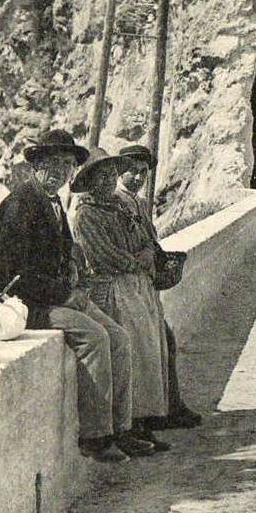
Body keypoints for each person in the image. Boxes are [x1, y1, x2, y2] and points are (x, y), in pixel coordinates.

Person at [0, 130, 152, 463]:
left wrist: (73, 256)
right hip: (23, 304)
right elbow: (16, 277)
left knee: (119, 337)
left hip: (55, 295)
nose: (60, 172)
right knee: (94, 337)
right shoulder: (19, 205)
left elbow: (59, 248)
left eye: (66, 165)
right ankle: (96, 437)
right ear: (37, 164)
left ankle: (122, 428)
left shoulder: (52, 200)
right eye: (53, 164)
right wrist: (66, 294)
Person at [72, 148, 172, 452]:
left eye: (110, 175)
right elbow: (104, 256)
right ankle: (124, 429)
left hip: (138, 288)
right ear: (89, 182)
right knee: (129, 354)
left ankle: (140, 424)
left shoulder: (121, 207)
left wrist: (143, 255)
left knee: (147, 355)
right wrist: (138, 260)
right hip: (114, 290)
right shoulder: (86, 214)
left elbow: (146, 241)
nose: (106, 181)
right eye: (99, 176)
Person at [115, 144, 201, 429]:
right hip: (128, 286)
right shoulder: (116, 201)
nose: (138, 178)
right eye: (132, 172)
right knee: (151, 347)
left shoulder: (138, 202)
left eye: (143, 172)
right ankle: (153, 414)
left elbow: (148, 240)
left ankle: (167, 408)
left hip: (145, 283)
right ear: (119, 171)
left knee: (165, 343)